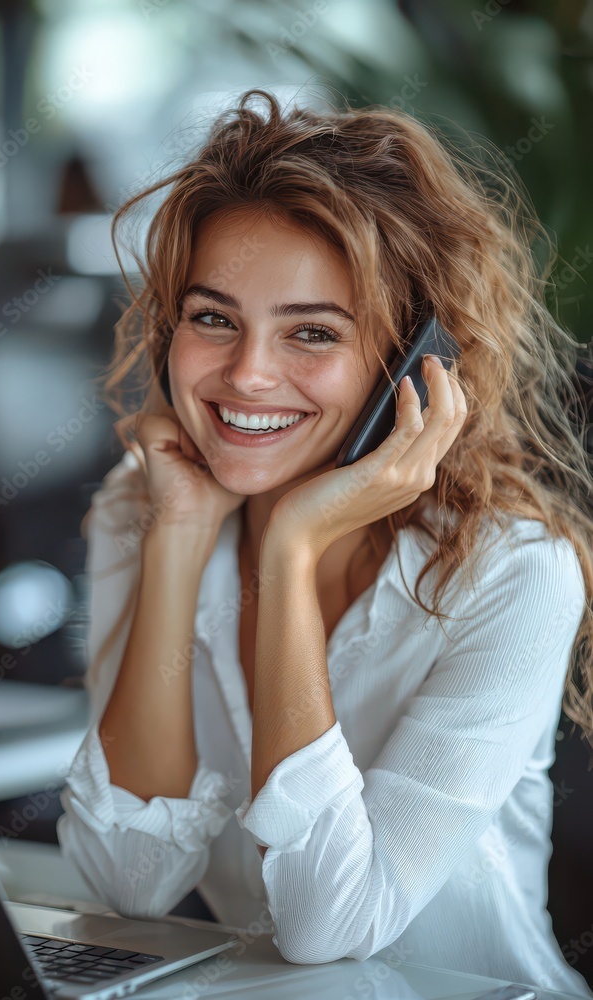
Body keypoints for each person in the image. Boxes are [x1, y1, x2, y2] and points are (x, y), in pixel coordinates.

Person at [56, 89, 593, 995]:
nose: (247, 375)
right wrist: (181, 538)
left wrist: (289, 552)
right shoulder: (143, 510)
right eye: (213, 318)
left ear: (413, 364)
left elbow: (329, 925)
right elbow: (128, 885)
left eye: (312, 332)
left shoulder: (514, 574)